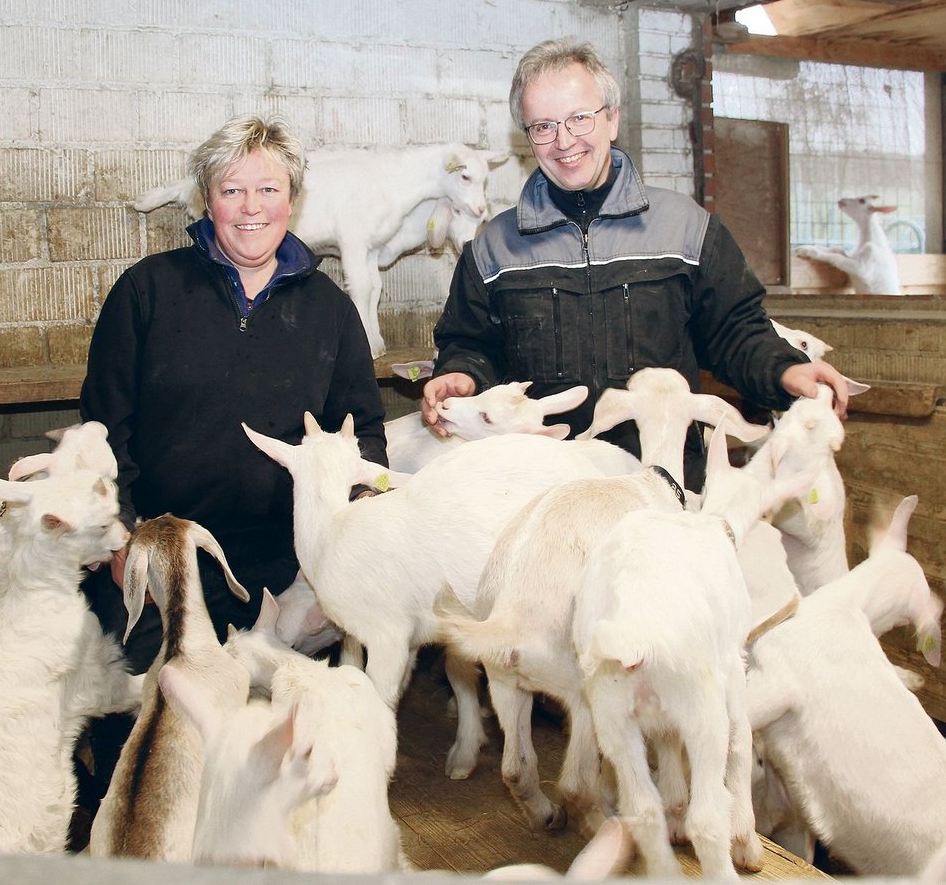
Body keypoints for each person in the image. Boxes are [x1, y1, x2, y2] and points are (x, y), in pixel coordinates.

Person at [421, 38, 850, 492]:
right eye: (544, 126)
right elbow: (470, 343)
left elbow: (735, 331)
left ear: (612, 118)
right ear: (528, 137)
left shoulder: (686, 227)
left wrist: (784, 369)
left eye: (579, 118)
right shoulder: (494, 246)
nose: (564, 141)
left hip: (664, 482)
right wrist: (461, 374)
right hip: (545, 486)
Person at [79, 113, 388, 670]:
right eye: (231, 190)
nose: (251, 208)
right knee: (154, 706)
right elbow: (103, 430)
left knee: (274, 714)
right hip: (162, 558)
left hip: (284, 568)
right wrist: (119, 534)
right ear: (207, 200)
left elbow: (362, 432)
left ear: (291, 199)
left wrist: (354, 531)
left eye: (268, 189)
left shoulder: (330, 310)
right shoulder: (147, 291)